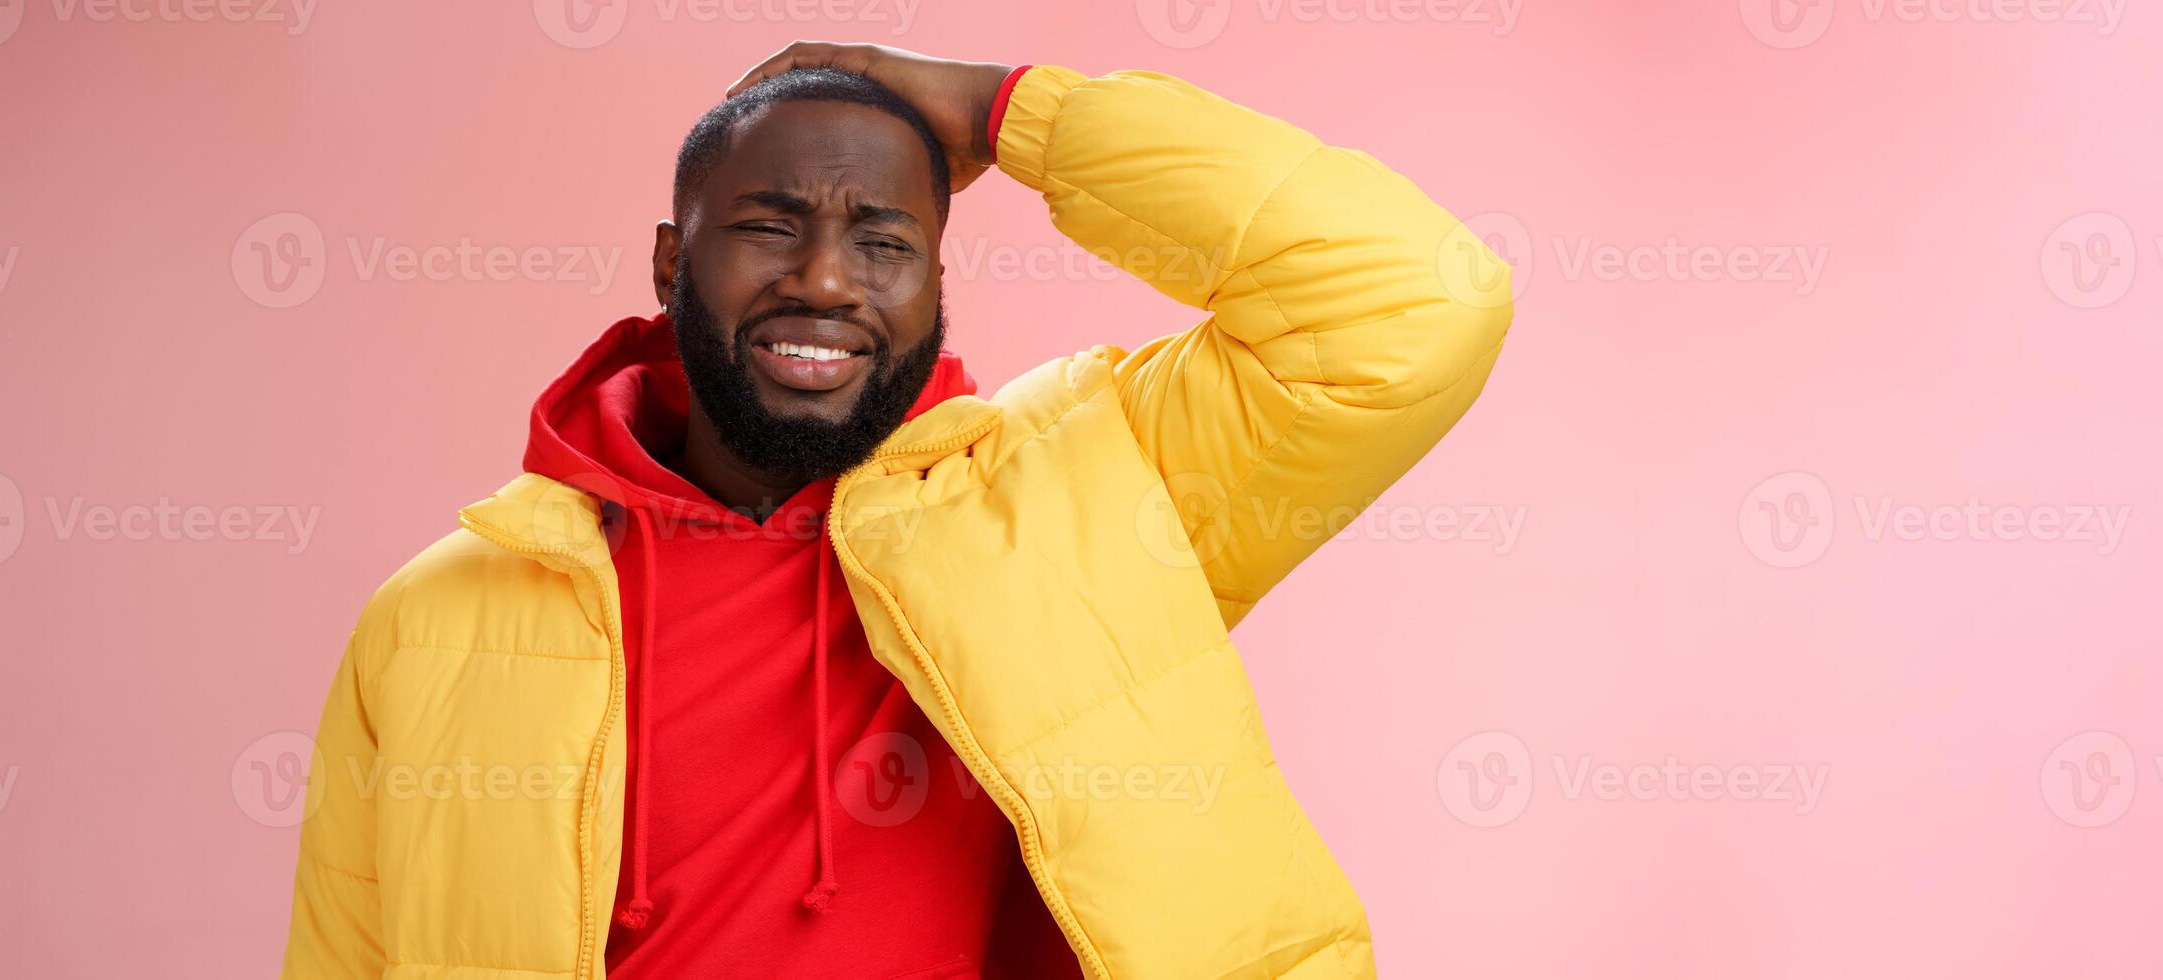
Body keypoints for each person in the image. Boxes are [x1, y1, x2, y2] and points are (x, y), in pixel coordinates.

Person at [281, 41, 1513, 980]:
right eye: (768, 226)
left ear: (933, 278)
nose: (822, 280)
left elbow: (1416, 304)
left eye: (881, 241)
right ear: (669, 261)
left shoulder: (1083, 486)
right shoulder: (432, 616)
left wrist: (998, 108)